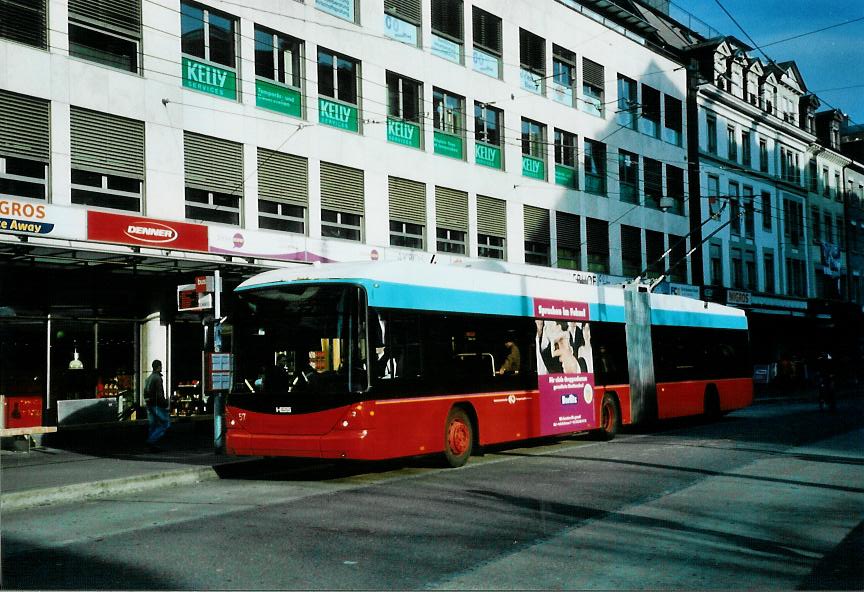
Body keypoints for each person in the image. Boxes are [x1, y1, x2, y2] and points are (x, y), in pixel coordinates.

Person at [144, 359, 170, 450]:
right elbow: (159, 394)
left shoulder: (149, 378)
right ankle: (151, 441)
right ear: (159, 367)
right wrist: (165, 403)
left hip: (149, 405)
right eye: (161, 366)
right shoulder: (157, 378)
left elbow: (145, 393)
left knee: (153, 424)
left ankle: (152, 445)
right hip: (157, 405)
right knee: (165, 423)